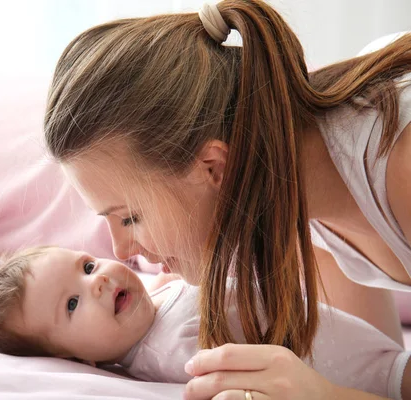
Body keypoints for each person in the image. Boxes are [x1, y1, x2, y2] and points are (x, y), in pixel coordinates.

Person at [42, 0, 411, 398]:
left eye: (131, 217)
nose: (121, 249)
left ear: (215, 168)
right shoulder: (300, 190)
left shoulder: (399, 157)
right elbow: (388, 377)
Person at [0, 246, 409, 399]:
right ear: (74, 359)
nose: (99, 281)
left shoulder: (152, 303)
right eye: (71, 304)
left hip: (363, 341)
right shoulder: (172, 353)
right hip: (365, 377)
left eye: (86, 267)